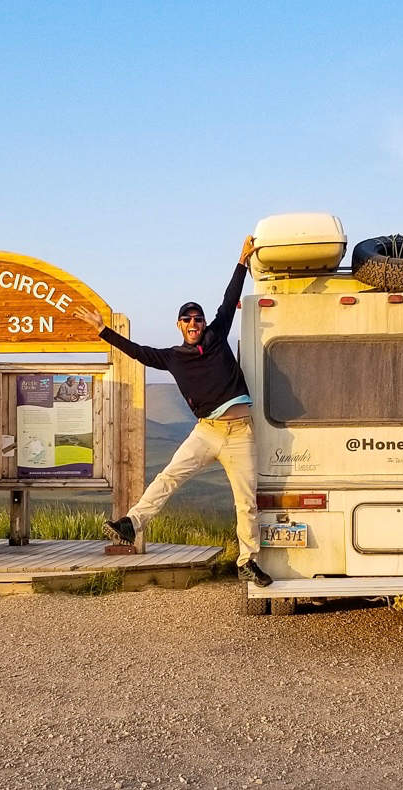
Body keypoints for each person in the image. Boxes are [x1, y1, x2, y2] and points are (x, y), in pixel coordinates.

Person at [73, 235, 271, 587]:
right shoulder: (170, 357)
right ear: (178, 325)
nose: (193, 324)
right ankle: (131, 524)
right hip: (206, 431)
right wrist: (103, 330)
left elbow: (229, 299)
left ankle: (247, 560)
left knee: (246, 503)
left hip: (241, 432)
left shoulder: (216, 337)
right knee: (168, 478)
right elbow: (136, 351)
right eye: (186, 319)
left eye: (197, 318)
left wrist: (242, 261)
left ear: (204, 322)